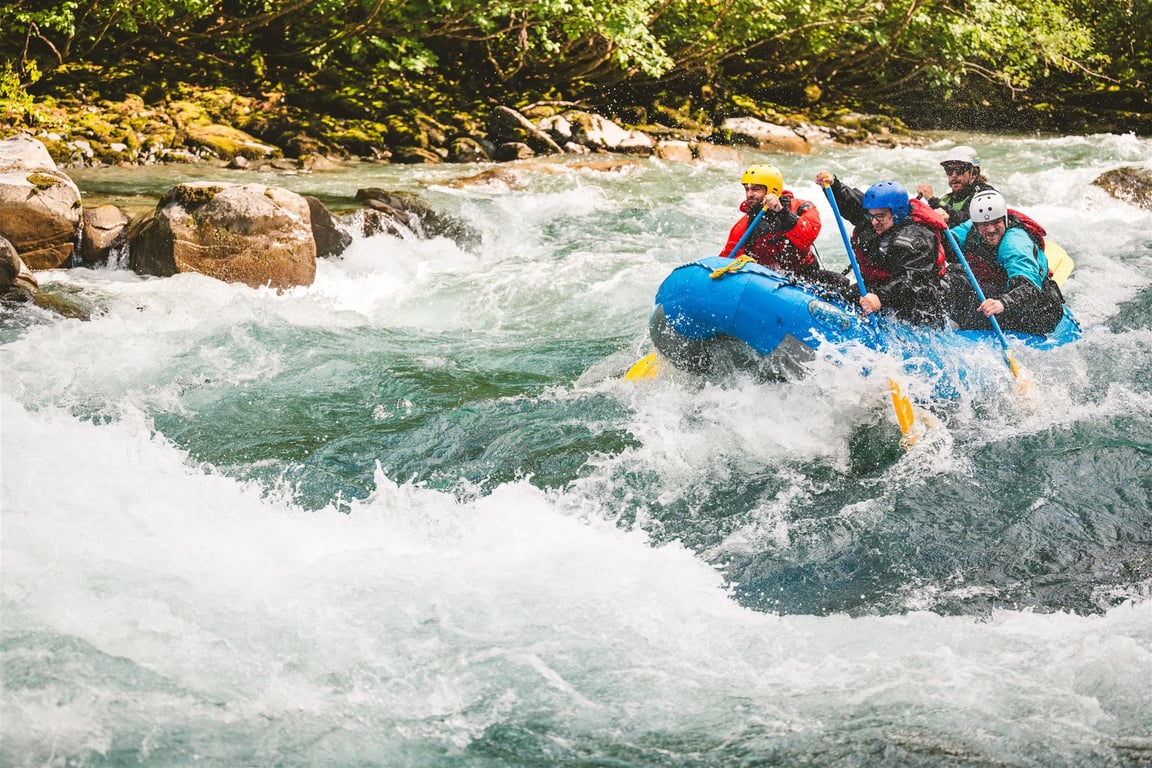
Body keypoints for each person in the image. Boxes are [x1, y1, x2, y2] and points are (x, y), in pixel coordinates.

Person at [816, 170, 948, 327]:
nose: (874, 222)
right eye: (871, 216)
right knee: (832, 289)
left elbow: (913, 282)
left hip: (918, 307)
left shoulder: (916, 239)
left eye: (879, 216)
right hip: (879, 288)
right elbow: (854, 205)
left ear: (897, 213)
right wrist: (834, 186)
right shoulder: (880, 218)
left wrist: (880, 298)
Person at [946, 189, 1065, 335]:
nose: (990, 229)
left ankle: (959, 325)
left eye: (995, 222)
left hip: (1039, 309)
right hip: (1003, 289)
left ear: (1004, 219)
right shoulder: (972, 228)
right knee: (953, 275)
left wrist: (1002, 303)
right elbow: (948, 241)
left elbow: (1029, 288)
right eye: (984, 224)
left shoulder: (1015, 244)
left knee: (970, 303)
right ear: (976, 225)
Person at [720, 164, 829, 282]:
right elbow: (727, 261)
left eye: (755, 189)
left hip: (806, 274)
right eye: (747, 189)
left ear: (773, 190)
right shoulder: (745, 226)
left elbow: (808, 236)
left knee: (841, 282)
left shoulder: (801, 207)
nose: (749, 194)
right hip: (767, 280)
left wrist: (782, 213)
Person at [916, 146, 994, 226]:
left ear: (973, 173)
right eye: (949, 170)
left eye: (959, 170)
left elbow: (967, 220)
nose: (953, 175)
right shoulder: (946, 199)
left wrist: (932, 199)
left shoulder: (985, 194)